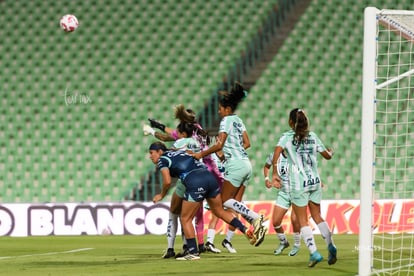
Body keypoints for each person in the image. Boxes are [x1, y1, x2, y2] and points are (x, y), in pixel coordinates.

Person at [149, 141, 260, 260]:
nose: (150, 156)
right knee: (219, 211)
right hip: (209, 178)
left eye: (151, 153)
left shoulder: (163, 159)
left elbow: (167, 181)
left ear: (160, 152)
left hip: (195, 181)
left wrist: (161, 195)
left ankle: (193, 252)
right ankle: (245, 229)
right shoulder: (178, 153)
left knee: (185, 218)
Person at [191, 82, 267, 248]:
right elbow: (247, 143)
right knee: (233, 202)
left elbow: (219, 145)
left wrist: (201, 154)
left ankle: (255, 218)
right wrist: (232, 151)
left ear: (226, 108)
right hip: (246, 164)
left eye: (220, 108)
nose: (219, 111)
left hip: (236, 166)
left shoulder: (225, 121)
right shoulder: (239, 120)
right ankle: (251, 223)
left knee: (224, 202)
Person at [146, 105, 224, 254]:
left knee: (182, 214)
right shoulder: (198, 131)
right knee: (205, 211)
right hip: (207, 172)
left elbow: (167, 136)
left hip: (191, 176)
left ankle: (184, 247)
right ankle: (200, 244)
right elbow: (173, 134)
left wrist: (153, 129)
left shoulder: (183, 138)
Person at [271, 108, 337, 267]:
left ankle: (314, 252)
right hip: (314, 181)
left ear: (290, 122)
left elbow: (276, 153)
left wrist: (275, 172)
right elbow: (327, 156)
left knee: (302, 220)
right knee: (318, 216)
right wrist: (331, 152)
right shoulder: (313, 136)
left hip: (299, 184)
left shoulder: (286, 137)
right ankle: (331, 245)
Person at [263, 151, 301, 256]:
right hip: (283, 193)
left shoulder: (297, 155)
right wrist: (267, 179)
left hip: (297, 191)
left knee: (294, 219)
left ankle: (297, 244)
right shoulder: (275, 156)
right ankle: (283, 242)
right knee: (275, 221)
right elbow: (266, 166)